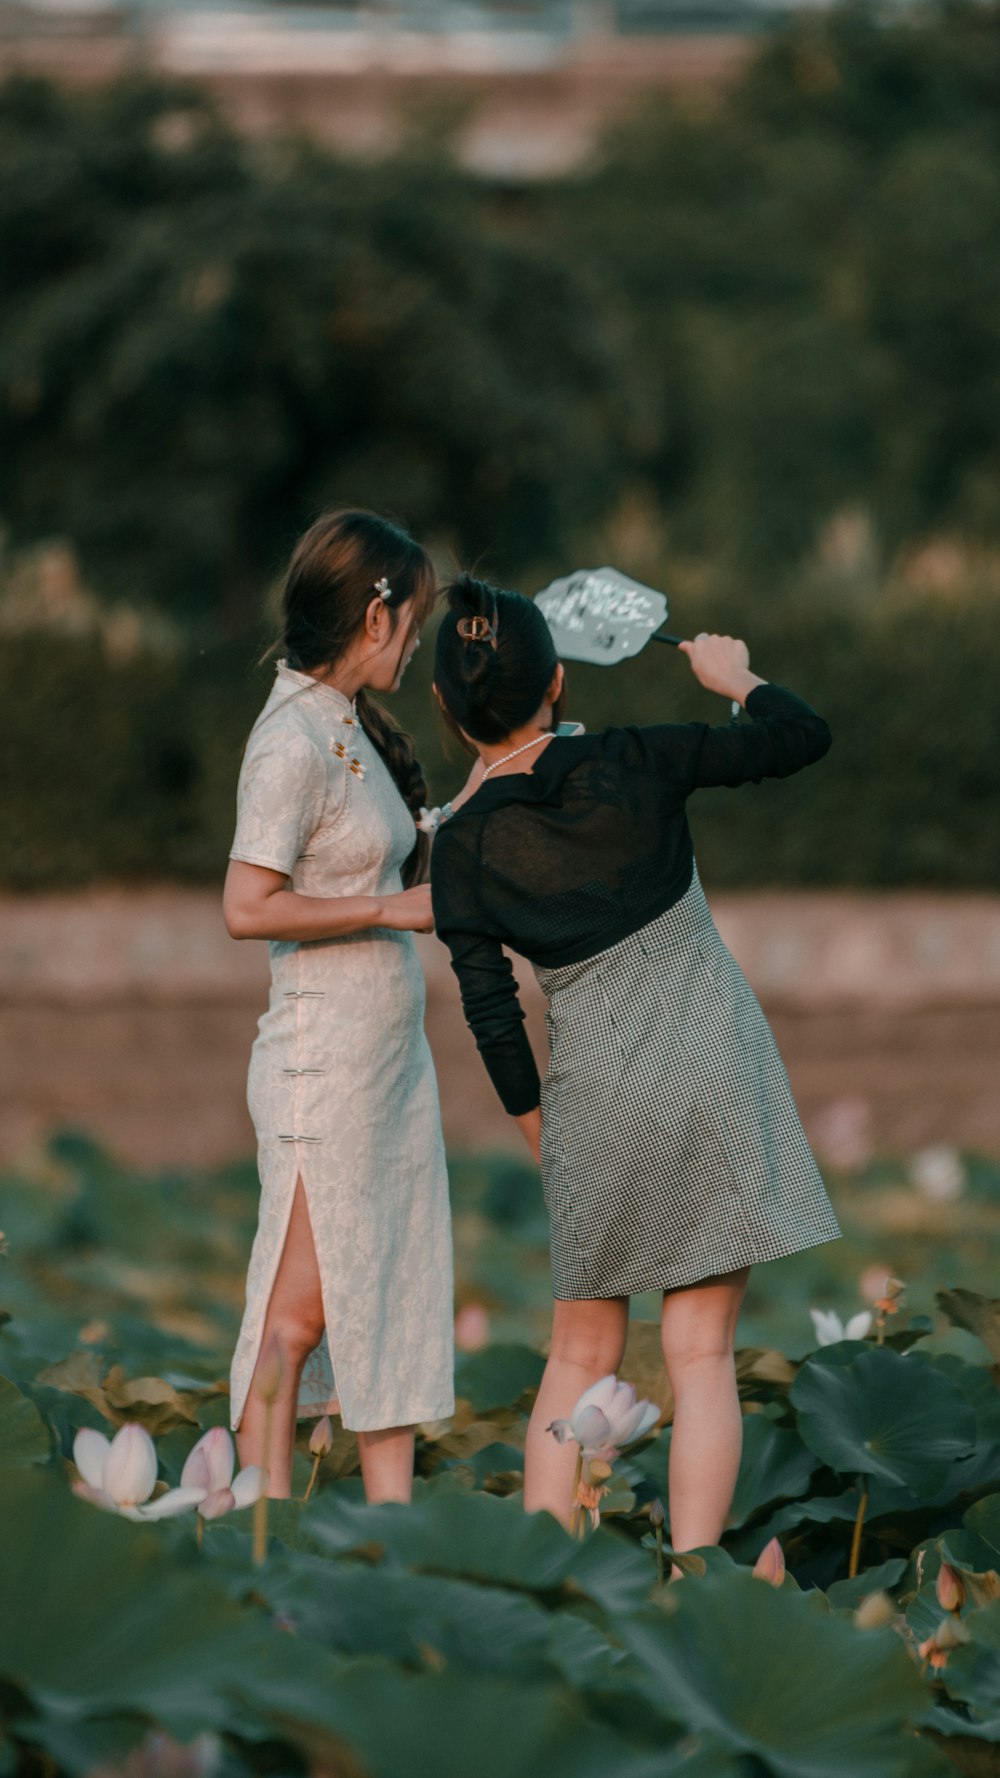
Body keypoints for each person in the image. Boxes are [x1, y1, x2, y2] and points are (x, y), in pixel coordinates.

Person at [429, 573, 842, 1569]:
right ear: (560, 681)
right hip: (708, 1057)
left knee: (576, 1352)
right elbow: (801, 736)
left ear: (444, 710)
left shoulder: (462, 850)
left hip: (593, 1092)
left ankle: (547, 1579)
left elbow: (493, 1014)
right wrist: (735, 678)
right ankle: (697, 1574)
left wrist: (542, 1133)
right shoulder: (638, 756)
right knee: (701, 1357)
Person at [222, 509, 455, 1504]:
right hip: (323, 1064)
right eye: (413, 620)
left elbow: (382, 842)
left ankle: (393, 1536)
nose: (417, 640)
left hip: (387, 1060)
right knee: (301, 1309)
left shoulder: (348, 722)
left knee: (392, 1290)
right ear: (376, 614)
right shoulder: (289, 742)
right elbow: (245, 904)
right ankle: (256, 1529)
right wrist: (389, 907)